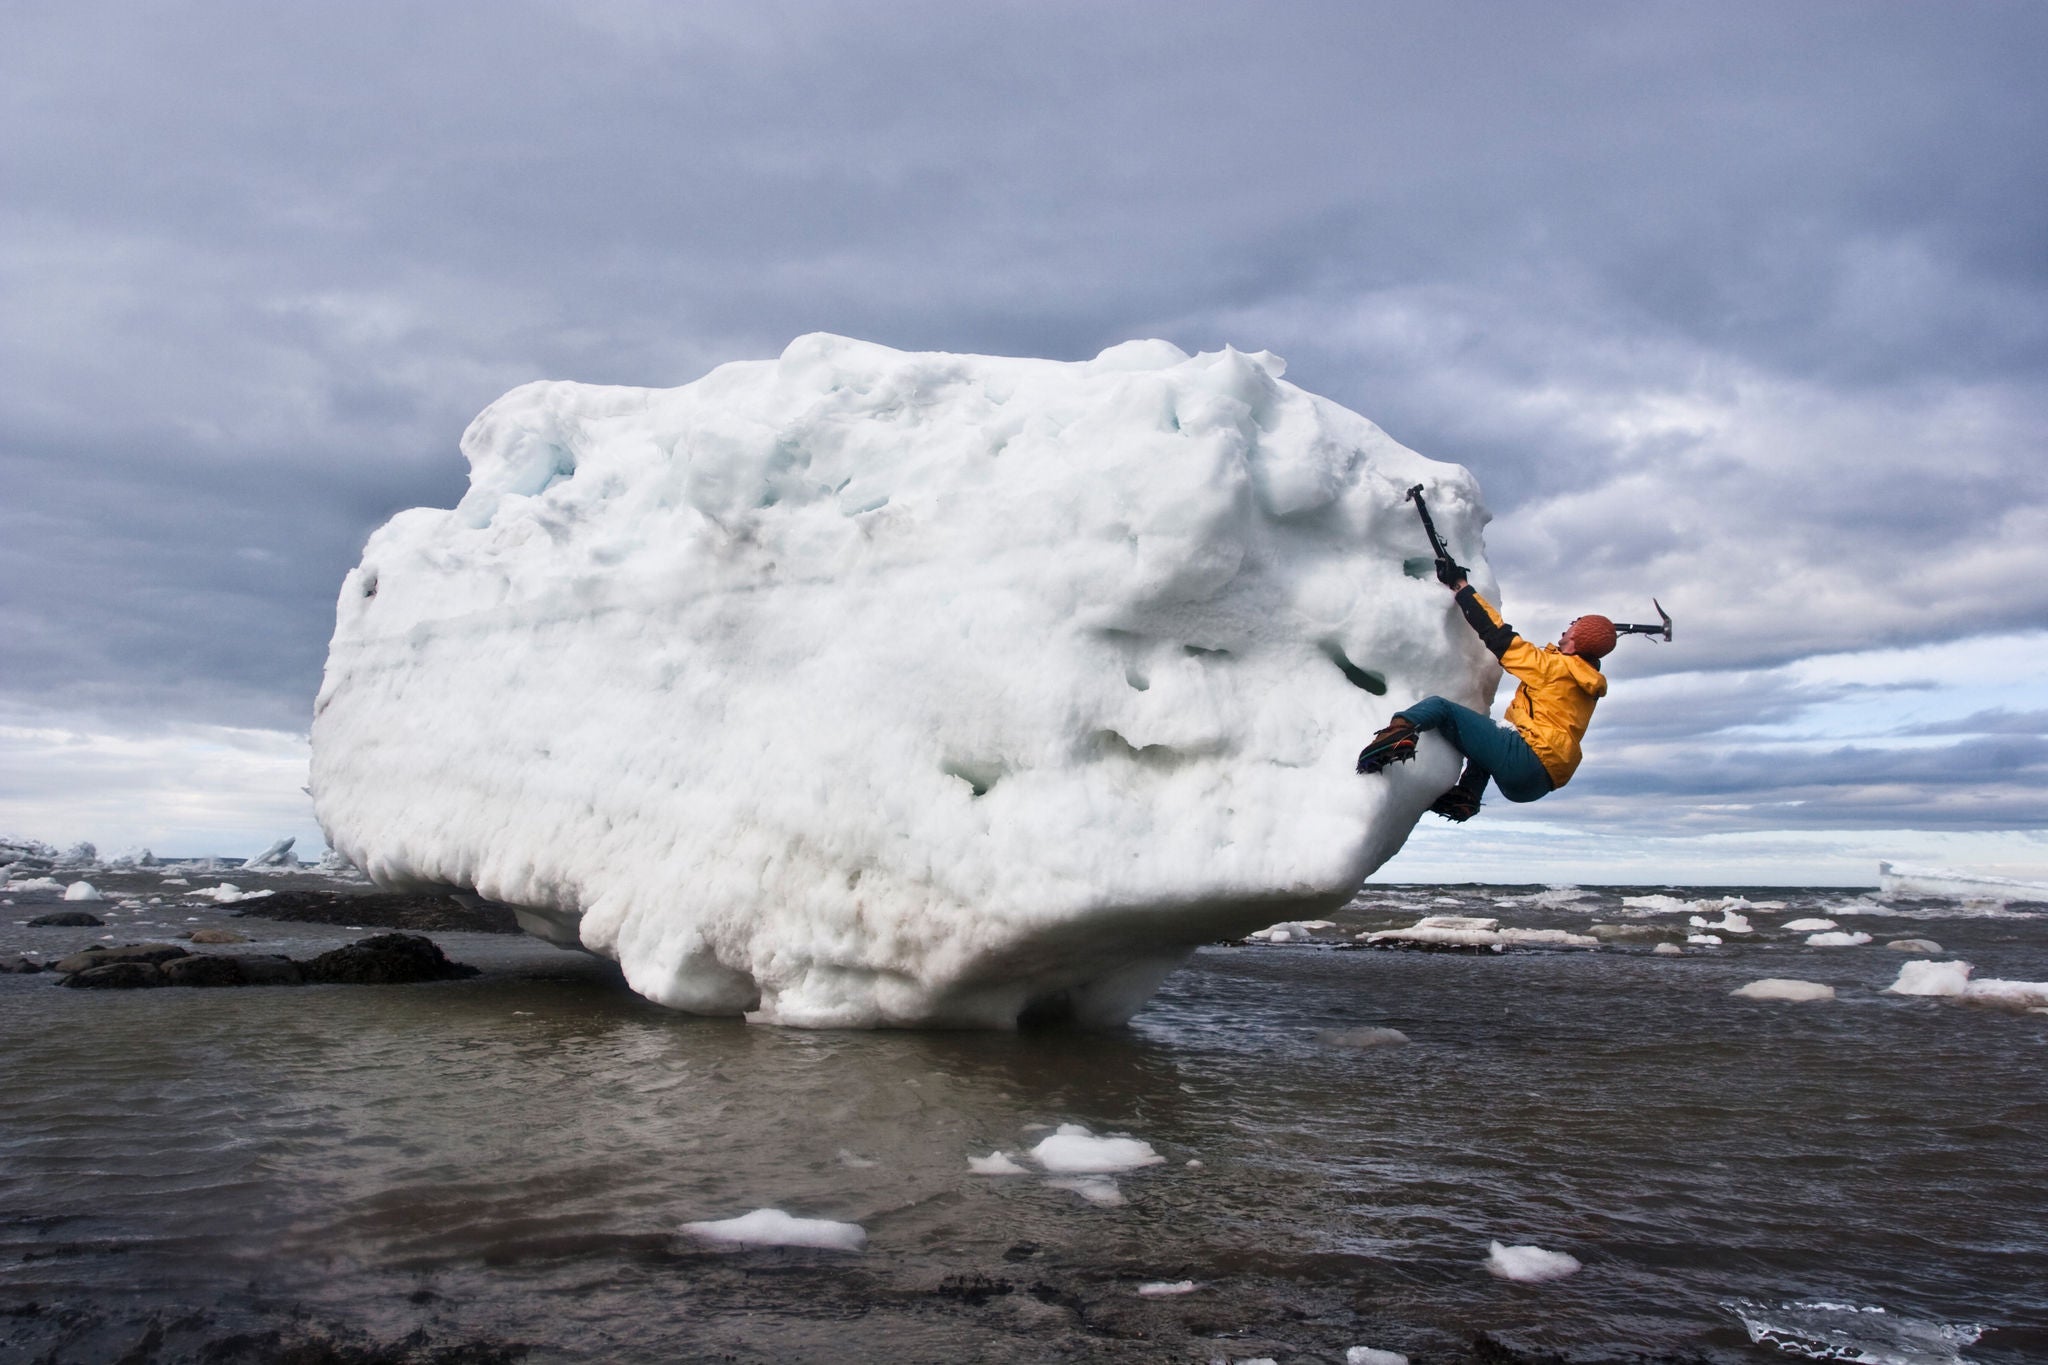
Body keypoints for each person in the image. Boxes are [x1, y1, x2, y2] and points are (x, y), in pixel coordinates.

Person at [1355, 559, 1614, 822]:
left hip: (1529, 758)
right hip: (1538, 783)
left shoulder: (1556, 668)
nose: (1568, 625)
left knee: (1440, 708)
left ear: (1576, 640)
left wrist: (1461, 587)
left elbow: (1499, 637)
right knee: (1492, 737)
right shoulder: (1585, 681)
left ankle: (1396, 737)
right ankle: (1466, 796)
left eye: (1575, 623)